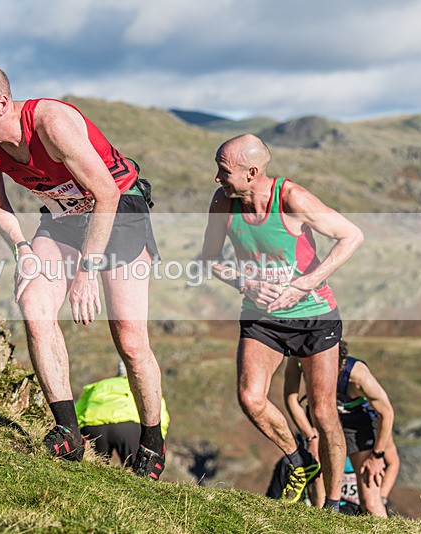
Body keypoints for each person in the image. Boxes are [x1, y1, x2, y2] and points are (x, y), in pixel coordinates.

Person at [0, 64, 166, 479]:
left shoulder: (52, 123)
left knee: (130, 338)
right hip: (63, 218)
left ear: (2, 102)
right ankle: (67, 431)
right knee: (33, 301)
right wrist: (22, 247)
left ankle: (152, 441)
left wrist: (87, 271)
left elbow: (105, 194)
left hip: (117, 212)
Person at [200, 134, 364, 510]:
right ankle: (298, 460)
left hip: (314, 317)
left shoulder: (292, 199)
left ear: (252, 172)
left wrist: (306, 284)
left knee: (323, 413)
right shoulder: (223, 202)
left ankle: (335, 504)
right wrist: (245, 281)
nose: (216, 178)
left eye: (223, 171)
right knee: (250, 398)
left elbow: (352, 235)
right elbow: (209, 258)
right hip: (262, 318)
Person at [284, 340, 400, 517]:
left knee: (370, 503)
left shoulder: (358, 375)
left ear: (339, 365)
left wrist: (377, 456)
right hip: (321, 422)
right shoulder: (299, 359)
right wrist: (311, 437)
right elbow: (291, 399)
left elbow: (387, 412)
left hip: (357, 425)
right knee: (319, 491)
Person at [76, 361, 170, 468]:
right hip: (129, 427)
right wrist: (154, 440)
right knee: (138, 469)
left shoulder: (98, 385)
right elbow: (160, 414)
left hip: (93, 425)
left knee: (93, 468)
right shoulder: (144, 388)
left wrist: (79, 432)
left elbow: (77, 410)